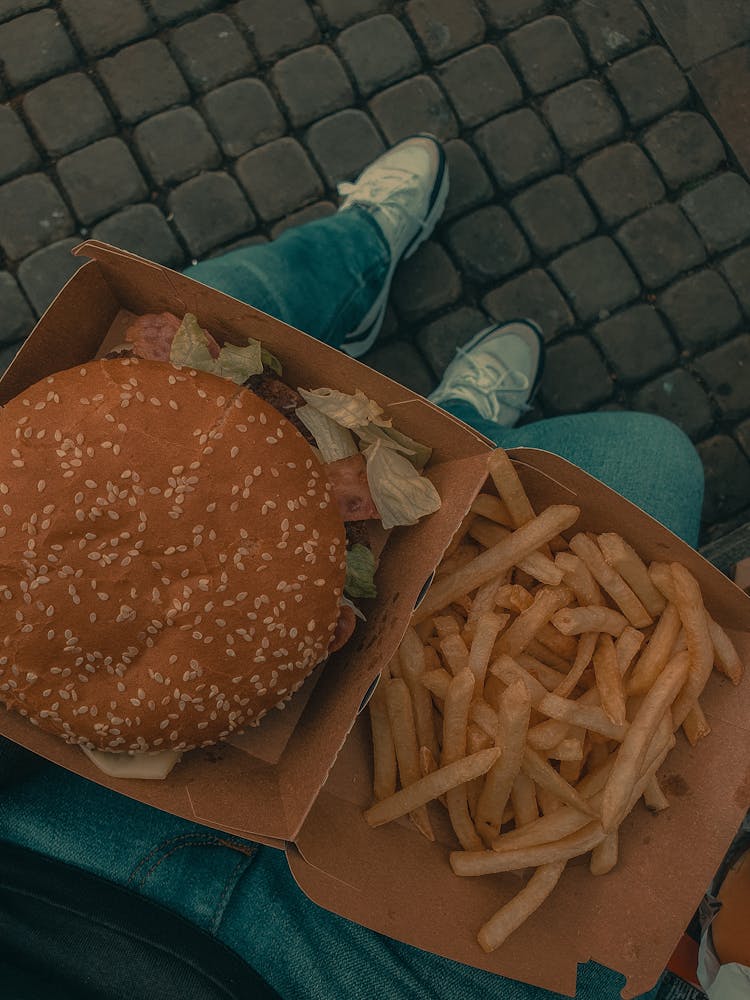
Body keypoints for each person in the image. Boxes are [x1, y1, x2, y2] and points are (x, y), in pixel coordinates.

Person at [0, 136, 704, 1000]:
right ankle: (450, 430)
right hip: (320, 976)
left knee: (241, 296)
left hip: (29, 841)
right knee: (651, 459)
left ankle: (363, 252)